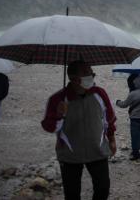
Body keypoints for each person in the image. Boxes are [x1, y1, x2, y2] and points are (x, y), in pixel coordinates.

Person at [41, 60, 117, 200]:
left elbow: (109, 119)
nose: (92, 77)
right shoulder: (58, 99)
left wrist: (112, 140)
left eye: (92, 73)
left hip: (98, 150)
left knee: (103, 188)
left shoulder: (99, 93)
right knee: (71, 193)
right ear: (73, 78)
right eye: (88, 74)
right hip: (70, 154)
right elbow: (48, 126)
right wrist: (59, 115)